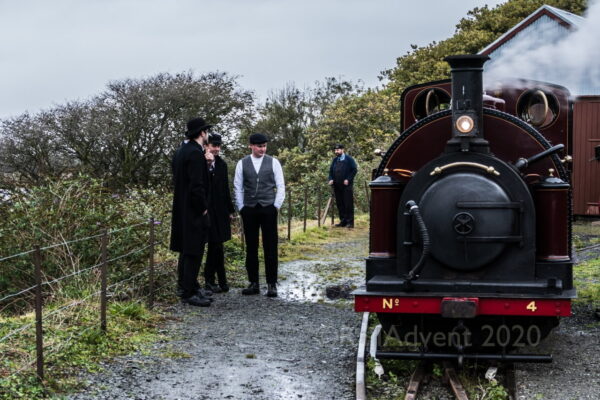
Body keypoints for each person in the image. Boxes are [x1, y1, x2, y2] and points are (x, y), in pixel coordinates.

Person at [169, 117, 214, 307]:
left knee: (186, 249)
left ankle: (188, 286)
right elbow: (197, 185)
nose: (208, 135)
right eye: (206, 132)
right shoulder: (195, 154)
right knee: (194, 250)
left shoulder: (180, 152)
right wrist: (203, 208)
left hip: (181, 208)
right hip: (193, 210)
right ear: (202, 133)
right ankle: (189, 292)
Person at [234, 133, 285, 297]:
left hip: (268, 208)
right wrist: (241, 207)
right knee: (251, 246)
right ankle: (253, 283)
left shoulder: (274, 162)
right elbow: (238, 187)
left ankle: (271, 284)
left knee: (270, 246)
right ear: (251, 146)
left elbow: (280, 186)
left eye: (264, 146)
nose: (262, 149)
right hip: (249, 209)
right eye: (259, 146)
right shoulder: (242, 163)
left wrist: (275, 206)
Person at [203, 133, 235, 293]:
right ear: (206, 146)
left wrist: (230, 210)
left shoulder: (222, 164)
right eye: (213, 145)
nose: (216, 149)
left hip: (221, 210)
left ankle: (217, 280)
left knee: (218, 245)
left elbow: (225, 189)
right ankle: (212, 280)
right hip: (206, 210)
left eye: (218, 146)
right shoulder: (200, 162)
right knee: (213, 245)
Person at [328, 143, 357, 228]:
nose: (336, 151)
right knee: (340, 204)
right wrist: (330, 179)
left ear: (342, 150)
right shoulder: (335, 160)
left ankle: (350, 223)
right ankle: (343, 221)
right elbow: (330, 172)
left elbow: (354, 170)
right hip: (337, 185)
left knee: (348, 204)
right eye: (335, 150)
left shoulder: (349, 159)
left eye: (338, 150)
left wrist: (348, 179)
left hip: (346, 185)